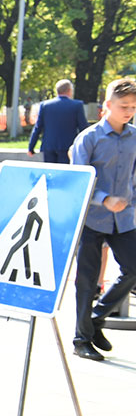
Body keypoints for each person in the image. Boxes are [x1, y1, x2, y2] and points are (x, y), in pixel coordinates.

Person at [66, 77, 136, 361]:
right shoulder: (89, 138)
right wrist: (105, 199)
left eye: (133, 107)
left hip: (125, 220)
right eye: (123, 106)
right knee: (87, 280)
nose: (129, 111)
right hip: (91, 219)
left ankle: (95, 319)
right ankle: (81, 339)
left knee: (133, 269)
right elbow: (78, 179)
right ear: (107, 105)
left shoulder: (134, 137)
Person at [28, 79, 89, 163]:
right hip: (67, 146)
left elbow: (38, 127)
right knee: (64, 170)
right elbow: (83, 127)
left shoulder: (45, 105)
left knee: (50, 170)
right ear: (69, 90)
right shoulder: (77, 105)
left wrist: (31, 147)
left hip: (49, 146)